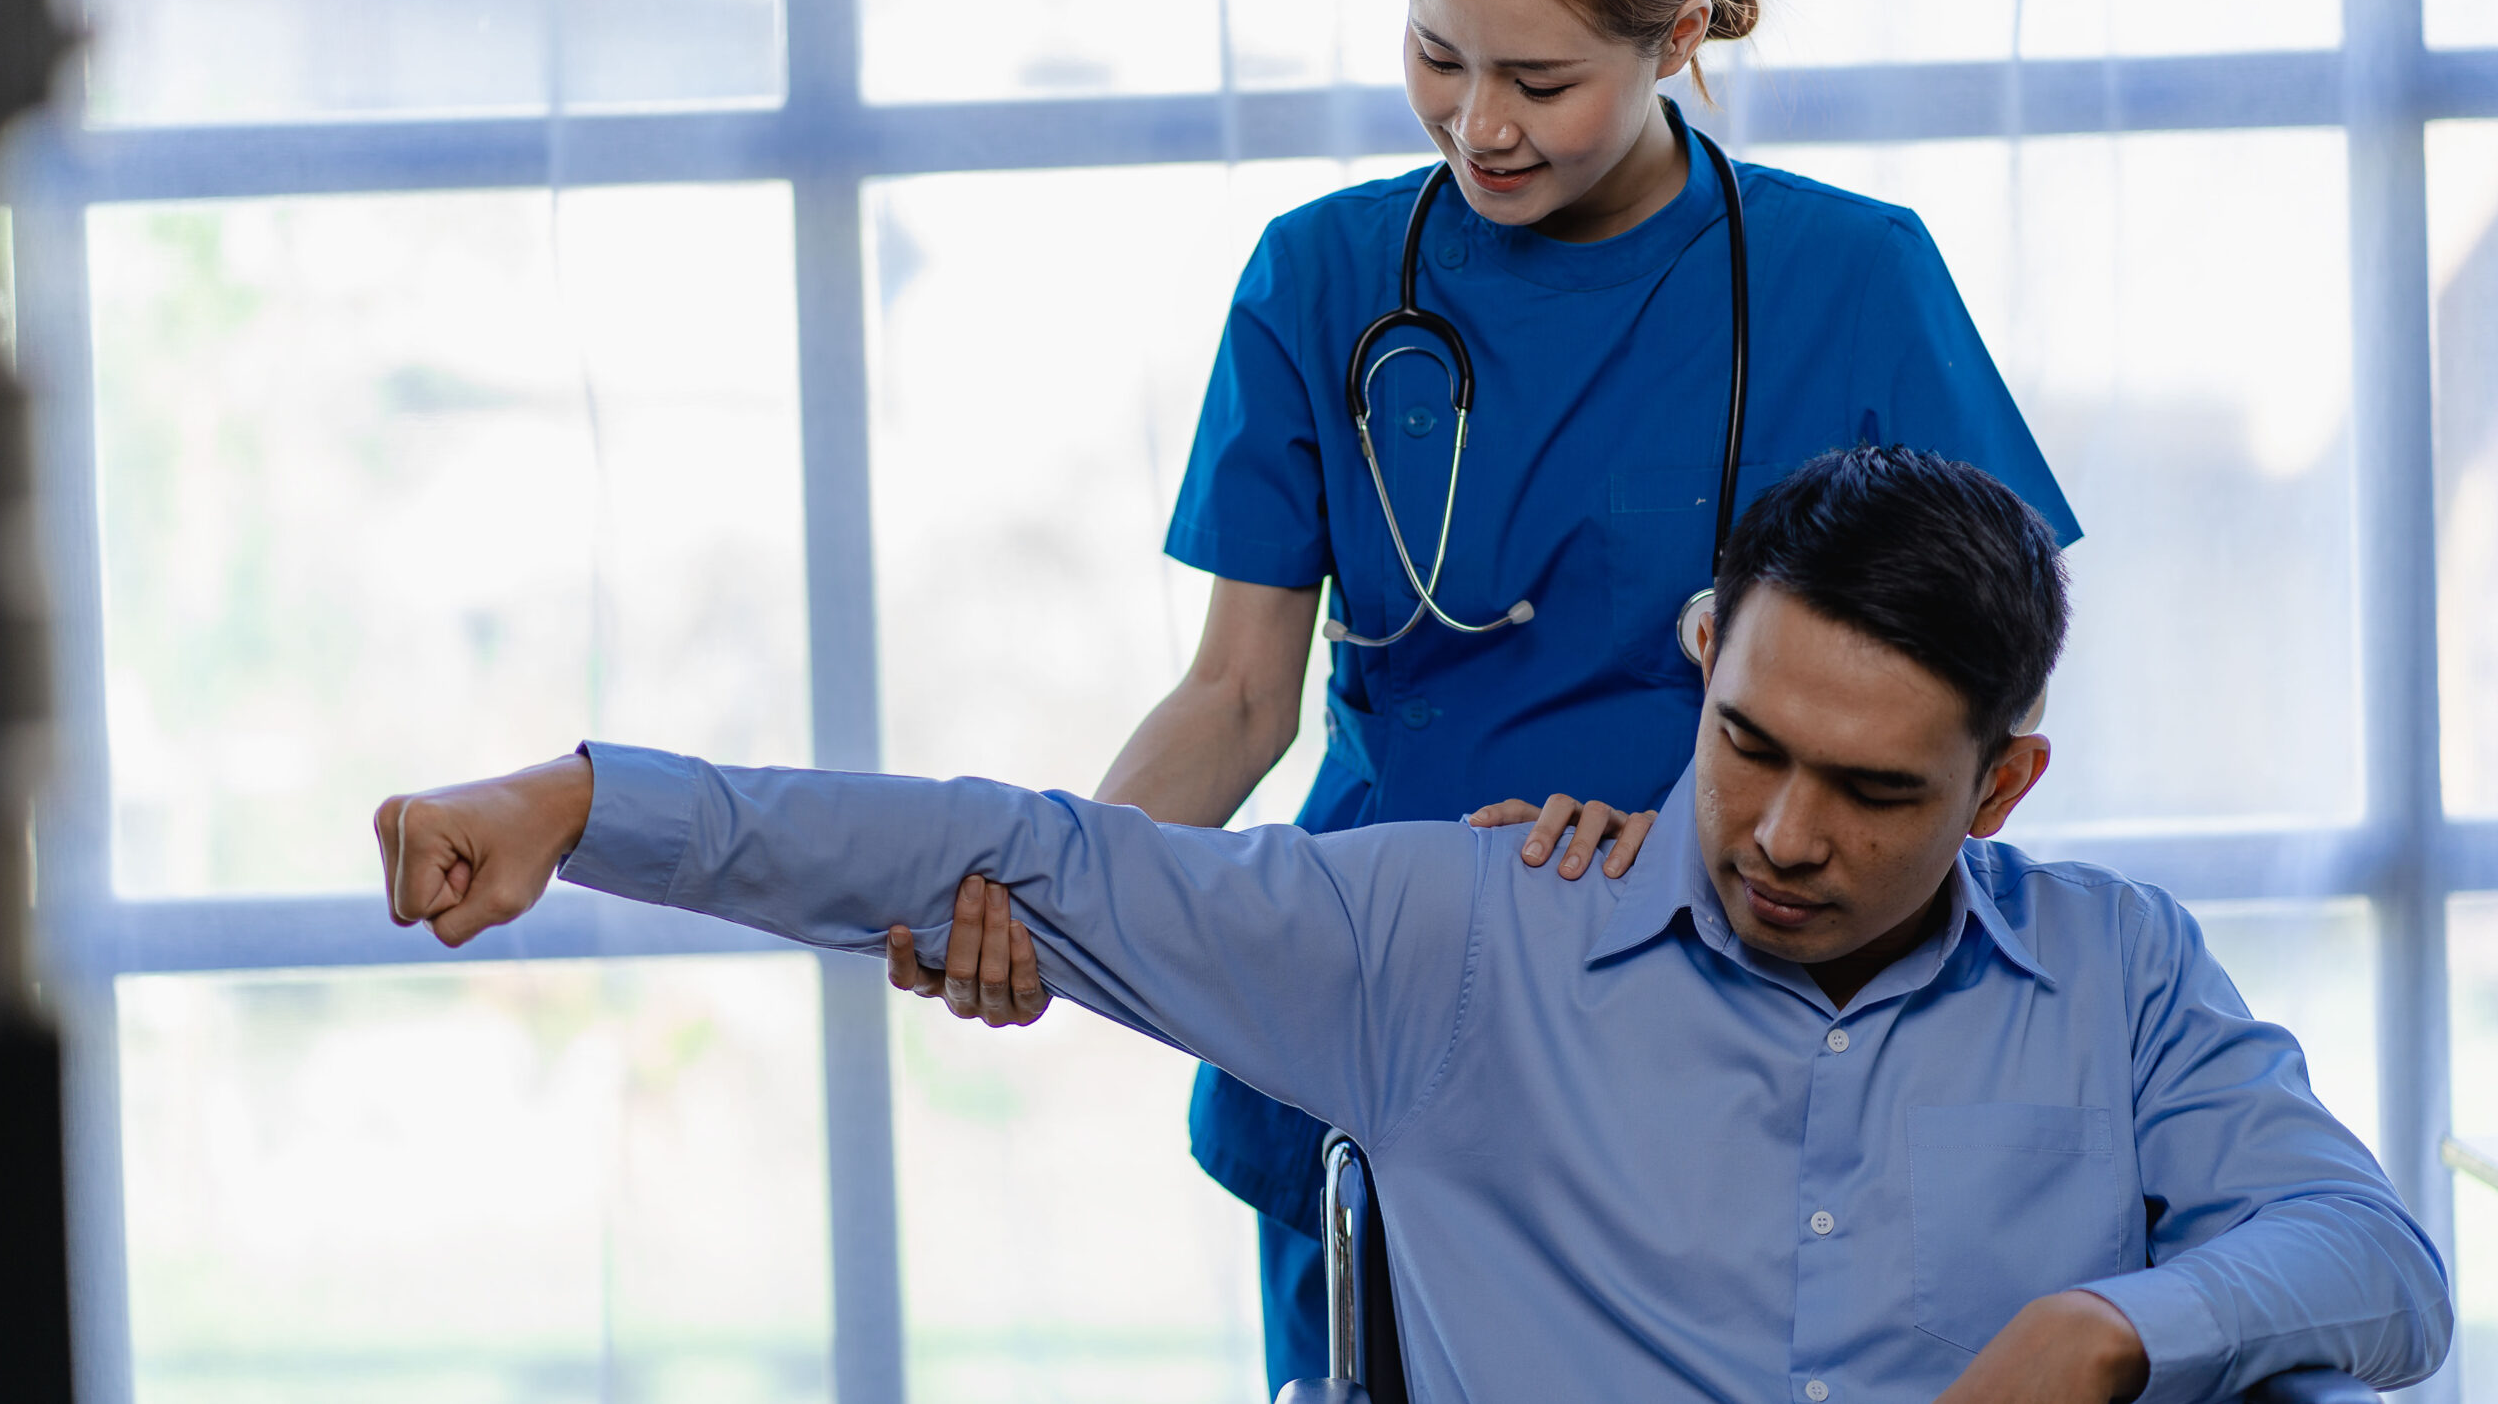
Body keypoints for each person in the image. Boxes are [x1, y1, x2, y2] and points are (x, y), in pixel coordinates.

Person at [371, 448, 2449, 1404]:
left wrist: (2102, 1326)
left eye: (1878, 789)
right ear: (1704, 655)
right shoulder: (1465, 933)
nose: (1783, 831)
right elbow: (1016, 846)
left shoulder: (2114, 969)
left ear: (2001, 785)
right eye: (1746, 745)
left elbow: (2371, 1258)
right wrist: (571, 803)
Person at [883, 0, 2082, 1392]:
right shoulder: (1321, 279)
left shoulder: (1850, 279)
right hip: (1371, 1003)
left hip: (1702, 1020)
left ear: (1672, 42)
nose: (1478, 125)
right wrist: (1055, 890)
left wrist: (1683, 840)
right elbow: (1237, 695)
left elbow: (1982, 681)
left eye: (1541, 78)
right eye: (1437, 56)